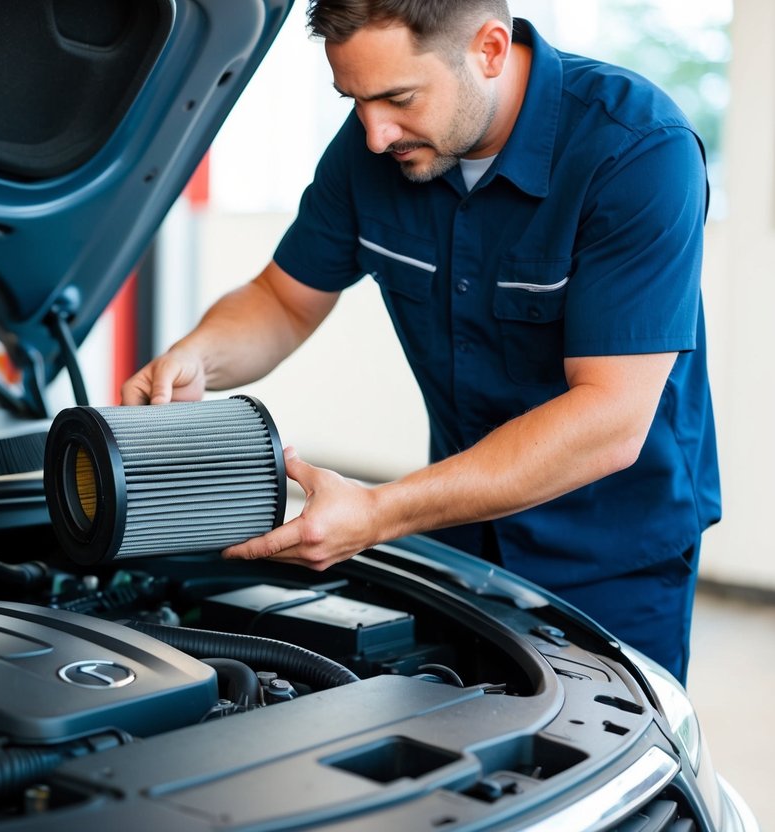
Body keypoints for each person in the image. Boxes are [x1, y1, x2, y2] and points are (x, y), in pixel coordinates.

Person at [121, 0, 719, 684]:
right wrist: (197, 355)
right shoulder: (373, 145)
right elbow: (283, 301)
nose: (373, 134)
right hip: (456, 536)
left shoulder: (636, 151)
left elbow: (608, 419)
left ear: (489, 49)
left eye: (397, 98)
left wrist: (377, 511)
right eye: (353, 100)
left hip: (611, 554)